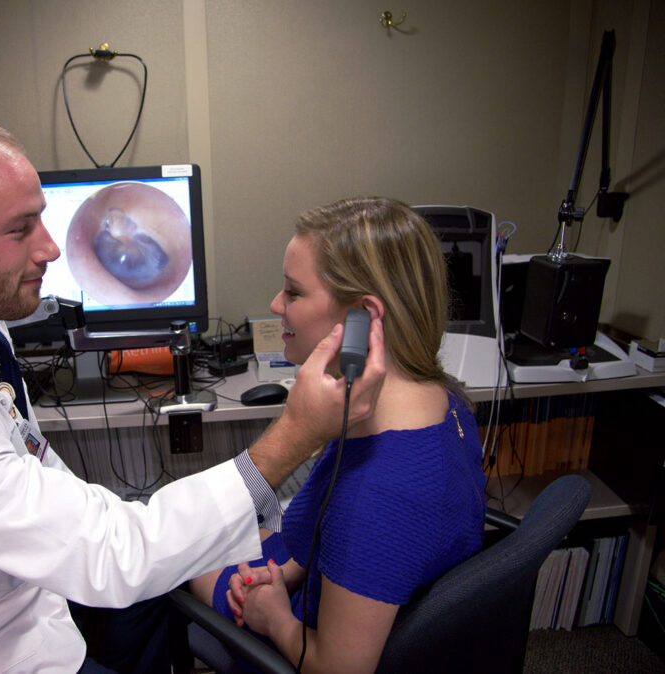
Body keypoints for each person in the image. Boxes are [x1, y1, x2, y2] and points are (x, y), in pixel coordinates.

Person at [0, 117, 386, 673]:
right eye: (20, 229)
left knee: (153, 582)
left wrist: (148, 530)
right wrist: (294, 435)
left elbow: (43, 476)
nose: (51, 249)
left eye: (44, 221)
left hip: (34, 597)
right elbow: (108, 557)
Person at [188, 197, 487, 673]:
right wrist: (283, 574)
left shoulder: (378, 494)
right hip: (322, 586)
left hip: (301, 641)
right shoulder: (442, 399)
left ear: (361, 317)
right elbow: (338, 532)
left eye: (293, 292)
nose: (275, 304)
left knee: (181, 554)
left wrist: (276, 619)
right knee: (230, 528)